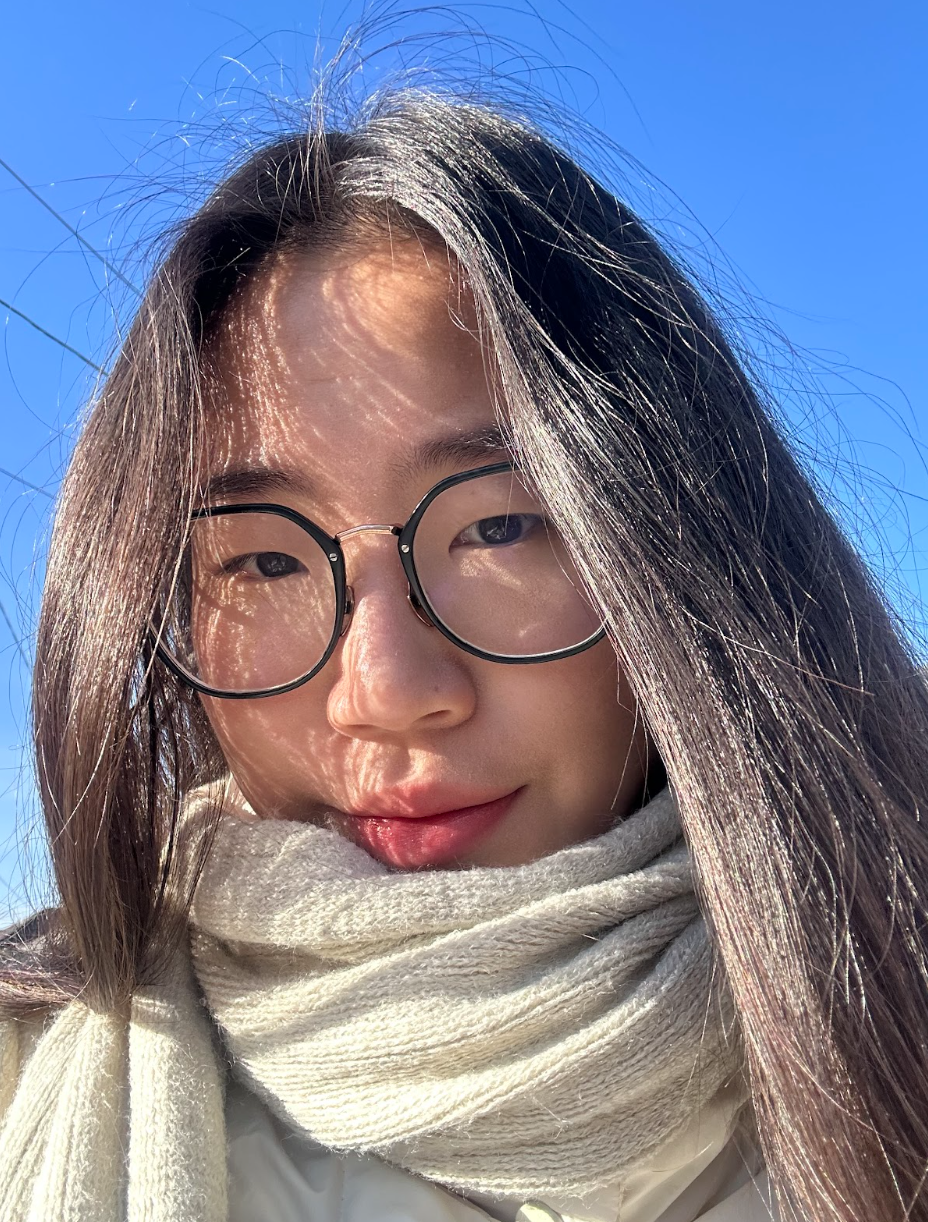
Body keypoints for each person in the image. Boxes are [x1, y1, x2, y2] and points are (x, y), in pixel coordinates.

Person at [0, 84, 925, 1222]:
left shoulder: (896, 988)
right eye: (265, 561)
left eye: (500, 527)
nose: (387, 692)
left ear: (689, 544)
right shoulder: (28, 1068)